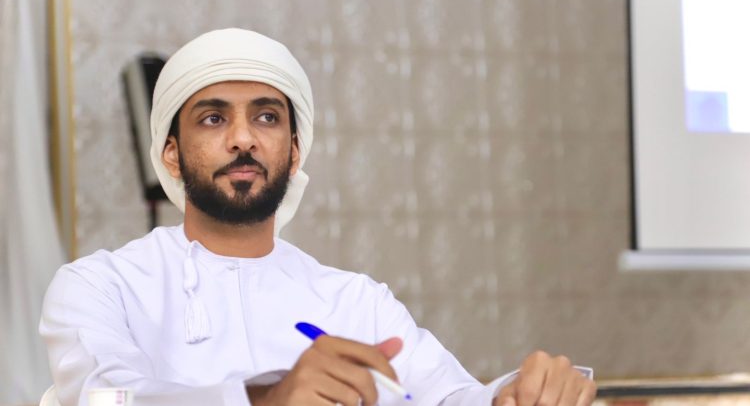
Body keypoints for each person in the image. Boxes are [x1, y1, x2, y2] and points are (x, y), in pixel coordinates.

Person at [40, 29, 597, 406]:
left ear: (294, 151)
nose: (243, 139)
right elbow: (104, 398)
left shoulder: (355, 302)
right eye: (213, 119)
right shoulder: (101, 286)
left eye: (266, 117)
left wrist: (514, 396)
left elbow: (444, 396)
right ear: (170, 154)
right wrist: (264, 399)